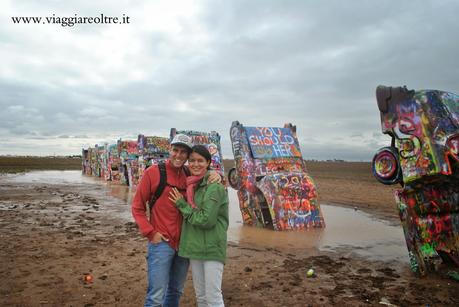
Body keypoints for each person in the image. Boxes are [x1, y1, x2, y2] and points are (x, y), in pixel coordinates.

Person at [131, 134, 221, 307]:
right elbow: (137, 207)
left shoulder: (189, 174)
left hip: (184, 245)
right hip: (161, 243)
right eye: (175, 150)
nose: (178, 155)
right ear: (169, 150)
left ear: (187, 155)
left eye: (183, 152)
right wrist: (150, 233)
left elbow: (205, 175)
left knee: (176, 291)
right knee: (156, 296)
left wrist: (215, 174)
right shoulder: (153, 173)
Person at [169, 145, 229, 307]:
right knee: (201, 297)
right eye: (192, 160)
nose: (195, 164)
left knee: (213, 297)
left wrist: (182, 205)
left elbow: (206, 220)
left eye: (200, 161)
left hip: (211, 247)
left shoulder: (214, 187)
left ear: (208, 162)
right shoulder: (193, 185)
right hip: (195, 247)